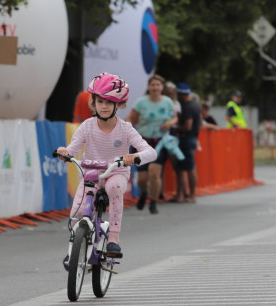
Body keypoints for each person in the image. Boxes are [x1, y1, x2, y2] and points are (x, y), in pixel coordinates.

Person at [55, 73, 156, 259]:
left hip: (115, 172)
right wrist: (65, 153)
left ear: (118, 105)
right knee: (76, 211)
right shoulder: (87, 126)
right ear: (93, 102)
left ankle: (113, 239)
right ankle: (73, 249)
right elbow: (72, 149)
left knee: (114, 187)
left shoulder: (126, 128)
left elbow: (151, 152)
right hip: (91, 174)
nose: (104, 106)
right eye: (100, 101)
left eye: (109, 102)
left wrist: (134, 156)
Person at [127, 74, 177, 215]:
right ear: (148, 87)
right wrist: (128, 126)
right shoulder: (141, 102)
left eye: (158, 85)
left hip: (160, 141)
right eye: (153, 85)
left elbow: (175, 117)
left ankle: (154, 202)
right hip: (143, 141)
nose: (155, 87)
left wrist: (170, 123)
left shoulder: (167, 102)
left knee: (154, 174)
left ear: (162, 87)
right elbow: (131, 117)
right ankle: (144, 193)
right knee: (142, 178)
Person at [174, 83, 202, 202]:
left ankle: (192, 195)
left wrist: (176, 129)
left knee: (190, 167)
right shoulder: (196, 105)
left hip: (187, 138)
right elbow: (199, 122)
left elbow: (188, 125)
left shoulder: (188, 107)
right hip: (192, 138)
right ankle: (180, 194)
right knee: (181, 168)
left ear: (181, 94)